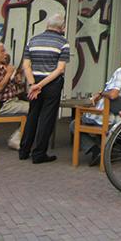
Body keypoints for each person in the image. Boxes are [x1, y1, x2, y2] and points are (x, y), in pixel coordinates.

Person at [71, 49, 121, 166]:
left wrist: (101, 93)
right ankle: (105, 149)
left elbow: (113, 94)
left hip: (107, 118)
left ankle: (97, 151)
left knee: (75, 123)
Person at [20, 13, 69, 164]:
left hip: (34, 83)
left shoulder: (33, 40)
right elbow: (60, 69)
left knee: (32, 115)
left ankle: (24, 151)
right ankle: (39, 153)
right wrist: (41, 85)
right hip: (51, 84)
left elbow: (26, 65)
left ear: (47, 25)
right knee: (46, 118)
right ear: (62, 27)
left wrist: (32, 84)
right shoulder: (63, 43)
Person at [0, 41, 29, 149]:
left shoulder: (0, 66)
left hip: (10, 101)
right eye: (2, 51)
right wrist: (8, 73)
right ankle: (16, 139)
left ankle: (20, 137)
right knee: (34, 109)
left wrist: (16, 80)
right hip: (1, 104)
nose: (5, 53)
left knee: (33, 107)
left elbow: (8, 84)